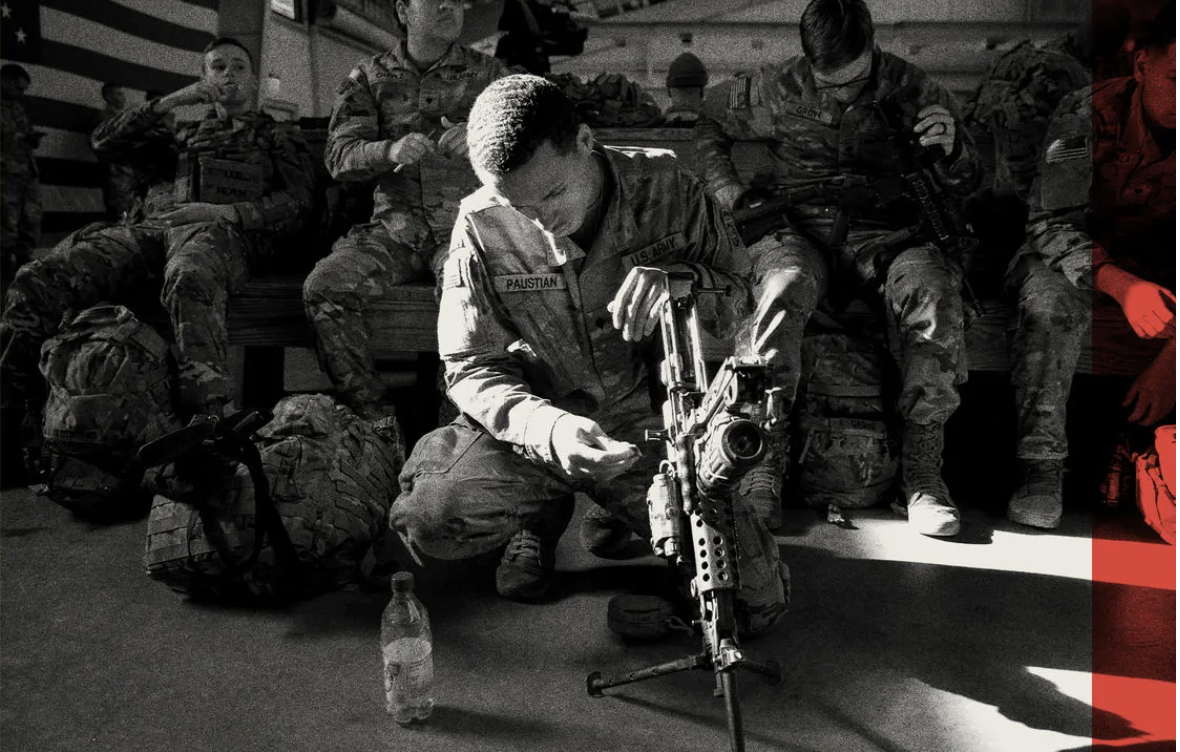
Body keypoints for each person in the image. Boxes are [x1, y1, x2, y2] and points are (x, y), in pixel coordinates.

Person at [389, 74, 787, 636]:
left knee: (755, 604)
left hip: (643, 428)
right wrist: (547, 430)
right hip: (534, 424)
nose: (544, 224)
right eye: (521, 207)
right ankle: (539, 518)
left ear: (584, 140)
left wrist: (683, 282)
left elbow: (742, 297)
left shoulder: (667, 186)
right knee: (429, 518)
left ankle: (613, 510)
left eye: (553, 195)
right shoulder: (479, 222)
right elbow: (471, 366)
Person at [695, 0, 981, 537]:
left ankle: (922, 475)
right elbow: (708, 119)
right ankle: (762, 466)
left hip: (888, 235)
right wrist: (730, 193)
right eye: (830, 84)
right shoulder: (775, 87)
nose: (843, 94)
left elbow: (972, 181)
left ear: (872, 46)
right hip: (800, 230)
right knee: (780, 291)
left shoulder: (915, 89)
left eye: (853, 80)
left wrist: (953, 150)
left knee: (933, 293)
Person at [0, 37, 316, 421]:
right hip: (153, 231)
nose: (229, 75)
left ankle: (209, 420)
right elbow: (104, 141)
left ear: (252, 81)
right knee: (40, 275)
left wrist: (225, 212)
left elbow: (300, 202)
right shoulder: (178, 137)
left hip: (222, 232)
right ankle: (16, 409)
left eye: (238, 67)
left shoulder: (277, 136)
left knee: (188, 274)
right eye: (218, 67)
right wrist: (172, 101)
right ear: (203, 78)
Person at [1006, 4, 1176, 530]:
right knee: (1049, 305)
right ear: (1142, 65)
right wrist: (1121, 285)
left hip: (1159, 268)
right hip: (1071, 257)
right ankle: (1041, 468)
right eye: (1176, 78)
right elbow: (1049, 222)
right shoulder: (1088, 113)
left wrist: (1174, 359)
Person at [303, 0, 509, 421]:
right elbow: (339, 157)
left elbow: (529, 148)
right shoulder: (369, 76)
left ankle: (454, 427)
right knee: (324, 288)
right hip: (394, 231)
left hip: (464, 230)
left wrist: (481, 141)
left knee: (472, 291)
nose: (449, 5)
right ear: (402, 10)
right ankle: (373, 420)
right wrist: (388, 150)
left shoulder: (491, 76)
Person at [1, 64, 42, 297]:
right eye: (18, 88)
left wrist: (31, 139)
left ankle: (23, 271)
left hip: (26, 173)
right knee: (6, 224)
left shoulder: (17, 107)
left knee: (30, 221)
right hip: (5, 176)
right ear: (5, 81)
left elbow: (24, 134)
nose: (21, 94)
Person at [95, 82, 139, 221]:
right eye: (119, 94)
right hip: (116, 172)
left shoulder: (123, 117)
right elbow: (100, 145)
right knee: (119, 212)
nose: (123, 97)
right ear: (108, 97)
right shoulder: (104, 119)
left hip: (128, 171)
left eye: (123, 94)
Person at [662, 52, 708, 127]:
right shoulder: (659, 123)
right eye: (678, 92)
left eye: (690, 92)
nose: (684, 100)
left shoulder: (714, 124)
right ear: (670, 93)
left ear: (701, 93)